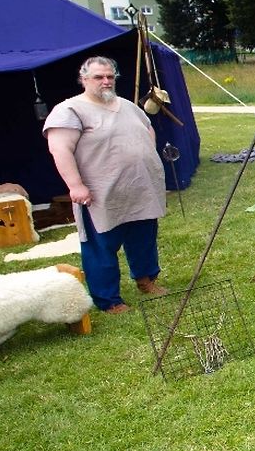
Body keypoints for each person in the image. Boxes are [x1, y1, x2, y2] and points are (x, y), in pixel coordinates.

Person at [43, 56, 169, 313]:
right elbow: (60, 149)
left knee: (143, 238)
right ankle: (109, 299)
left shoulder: (127, 106)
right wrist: (75, 185)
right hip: (101, 192)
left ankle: (146, 280)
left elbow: (147, 130)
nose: (106, 81)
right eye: (99, 77)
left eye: (110, 76)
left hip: (139, 187)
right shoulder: (70, 110)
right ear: (84, 79)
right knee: (101, 246)